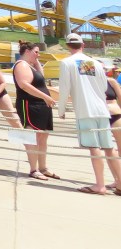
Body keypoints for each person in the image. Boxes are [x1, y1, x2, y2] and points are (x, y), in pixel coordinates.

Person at [57, 33, 121, 195]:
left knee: (94, 147)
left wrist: (61, 109)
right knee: (108, 147)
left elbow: (64, 88)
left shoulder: (66, 62)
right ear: (82, 45)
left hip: (85, 110)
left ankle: (100, 185)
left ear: (67, 45)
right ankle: (120, 182)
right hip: (102, 109)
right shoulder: (95, 63)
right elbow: (103, 87)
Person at [13, 41, 57, 180]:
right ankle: (34, 169)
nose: (38, 55)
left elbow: (41, 78)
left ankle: (43, 167)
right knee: (32, 136)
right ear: (27, 51)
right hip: (30, 104)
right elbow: (24, 85)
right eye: (36, 52)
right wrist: (45, 97)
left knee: (43, 136)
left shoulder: (30, 65)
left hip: (42, 104)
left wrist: (36, 62)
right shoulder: (21, 65)